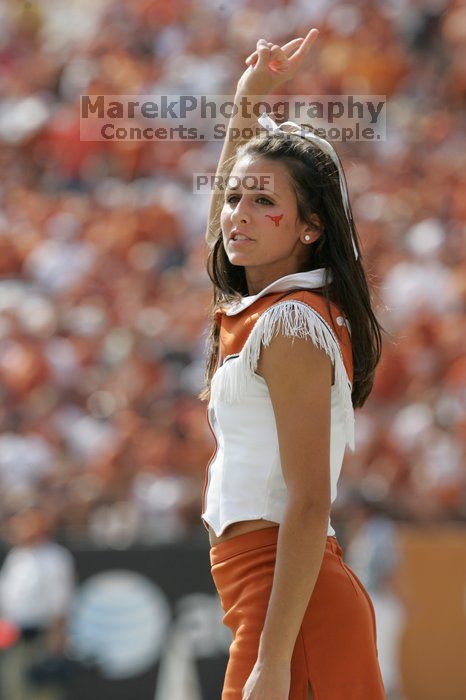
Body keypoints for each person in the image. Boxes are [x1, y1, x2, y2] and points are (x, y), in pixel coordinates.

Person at [198, 28, 388, 700]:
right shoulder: (265, 307)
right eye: (233, 199)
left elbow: (309, 505)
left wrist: (272, 662)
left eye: (264, 202)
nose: (237, 216)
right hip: (268, 595)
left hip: (295, 607)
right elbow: (234, 222)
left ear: (310, 228)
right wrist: (250, 98)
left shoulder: (290, 324)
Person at [0, 505, 76, 700]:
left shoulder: (54, 557)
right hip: (15, 637)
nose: (17, 528)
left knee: (43, 693)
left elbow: (61, 602)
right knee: (15, 690)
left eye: (24, 523)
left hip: (42, 637)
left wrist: (57, 641)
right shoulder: (18, 556)